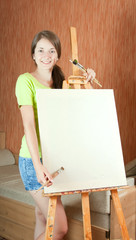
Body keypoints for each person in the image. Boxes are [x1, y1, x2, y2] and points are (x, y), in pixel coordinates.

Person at [15, 30, 96, 240]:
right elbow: (28, 126)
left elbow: (83, 108)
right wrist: (38, 165)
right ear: (33, 54)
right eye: (40, 50)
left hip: (54, 158)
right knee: (59, 228)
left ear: (58, 55)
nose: (46, 55)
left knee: (43, 217)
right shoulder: (25, 81)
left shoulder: (62, 84)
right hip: (34, 161)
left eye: (51, 50)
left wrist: (88, 79)